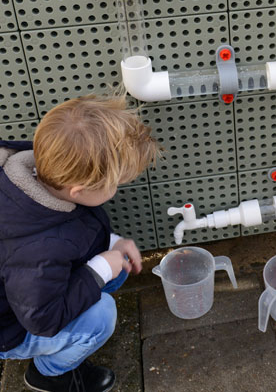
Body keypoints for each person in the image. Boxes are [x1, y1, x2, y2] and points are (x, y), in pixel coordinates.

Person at [0, 95, 160, 392]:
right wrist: (99, 268)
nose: (115, 190)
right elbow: (43, 320)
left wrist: (112, 244)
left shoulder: (38, 173)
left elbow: (72, 232)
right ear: (78, 190)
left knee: (116, 265)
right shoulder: (36, 250)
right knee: (102, 316)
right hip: (12, 327)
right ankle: (50, 373)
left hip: (28, 294)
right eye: (113, 185)